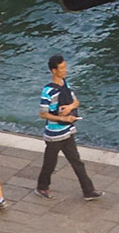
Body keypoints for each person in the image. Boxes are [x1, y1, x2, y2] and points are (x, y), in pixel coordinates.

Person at [37, 54, 100, 200]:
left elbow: (76, 102)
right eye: (62, 68)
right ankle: (42, 187)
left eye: (65, 67)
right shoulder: (47, 91)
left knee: (77, 162)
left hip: (68, 131)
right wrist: (63, 118)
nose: (65, 70)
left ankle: (88, 191)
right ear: (54, 70)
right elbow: (43, 114)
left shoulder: (66, 84)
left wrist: (70, 108)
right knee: (50, 164)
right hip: (54, 135)